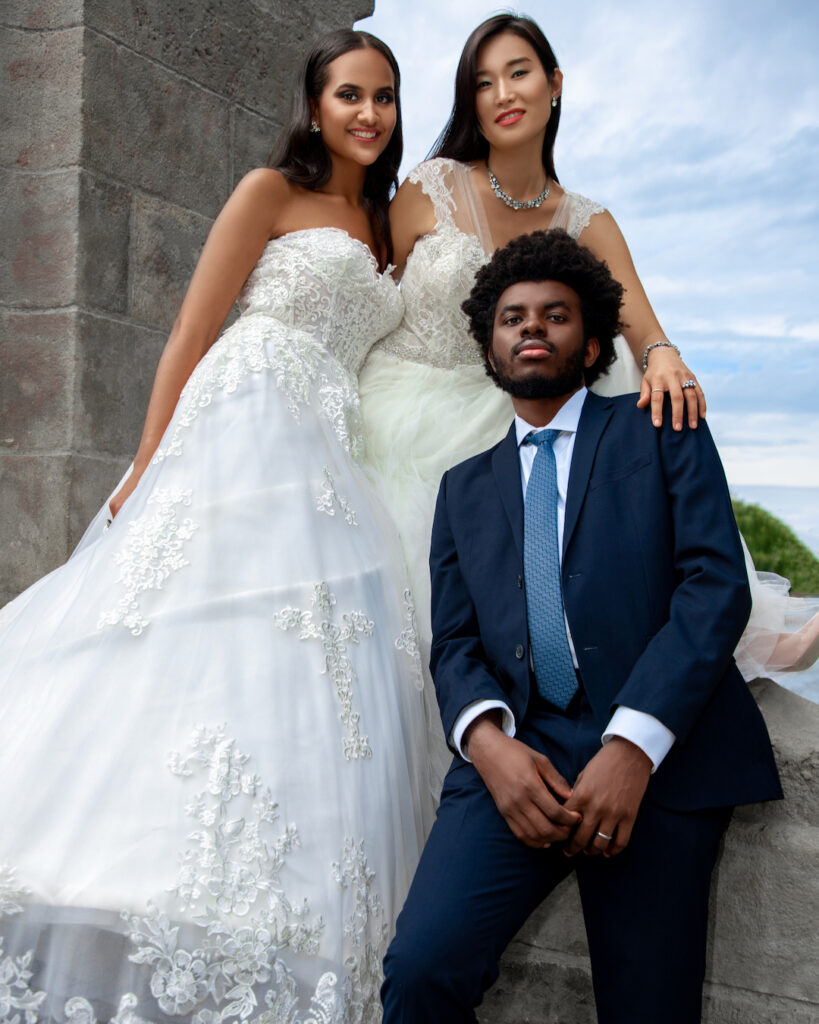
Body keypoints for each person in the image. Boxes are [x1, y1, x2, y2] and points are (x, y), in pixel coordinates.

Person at [0, 30, 431, 1024]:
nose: (370, 115)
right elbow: (194, 332)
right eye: (351, 95)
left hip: (335, 451)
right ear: (315, 105)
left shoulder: (382, 221)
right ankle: (125, 884)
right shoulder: (268, 193)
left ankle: (274, 934)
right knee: (186, 630)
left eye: (386, 99)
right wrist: (145, 471)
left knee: (311, 679)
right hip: (248, 414)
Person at [357, 13, 818, 784]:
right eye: (481, 81)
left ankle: (743, 629)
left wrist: (666, 360)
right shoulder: (429, 188)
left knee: (630, 387)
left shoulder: (587, 219)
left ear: (554, 84)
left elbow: (642, 326)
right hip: (407, 413)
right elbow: (364, 290)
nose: (501, 93)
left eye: (518, 72)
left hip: (520, 412)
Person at [380, 229, 782, 1024]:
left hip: (661, 757)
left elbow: (713, 587)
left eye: (554, 314)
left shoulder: (658, 428)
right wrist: (487, 746)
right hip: (515, 760)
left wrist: (632, 745)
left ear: (592, 340)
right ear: (488, 347)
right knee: (422, 968)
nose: (531, 327)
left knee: (647, 1006)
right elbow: (455, 642)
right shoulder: (461, 489)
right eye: (511, 317)